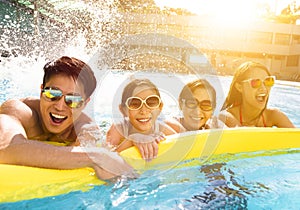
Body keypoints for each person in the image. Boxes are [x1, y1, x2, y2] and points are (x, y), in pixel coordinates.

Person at [0, 56, 135, 180]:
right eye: (52, 93)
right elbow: (4, 148)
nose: (59, 106)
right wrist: (96, 156)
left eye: (73, 100)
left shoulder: (85, 127)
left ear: (85, 103)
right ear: (41, 91)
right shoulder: (18, 111)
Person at [106, 78, 177, 161]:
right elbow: (107, 159)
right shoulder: (119, 129)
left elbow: (183, 148)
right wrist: (131, 139)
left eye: (151, 103)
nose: (143, 111)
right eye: (134, 104)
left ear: (160, 107)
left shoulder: (162, 129)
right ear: (123, 110)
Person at [219, 61, 295, 128]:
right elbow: (243, 137)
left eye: (268, 81)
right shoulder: (226, 116)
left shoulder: (273, 115)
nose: (264, 88)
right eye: (255, 82)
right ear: (239, 87)